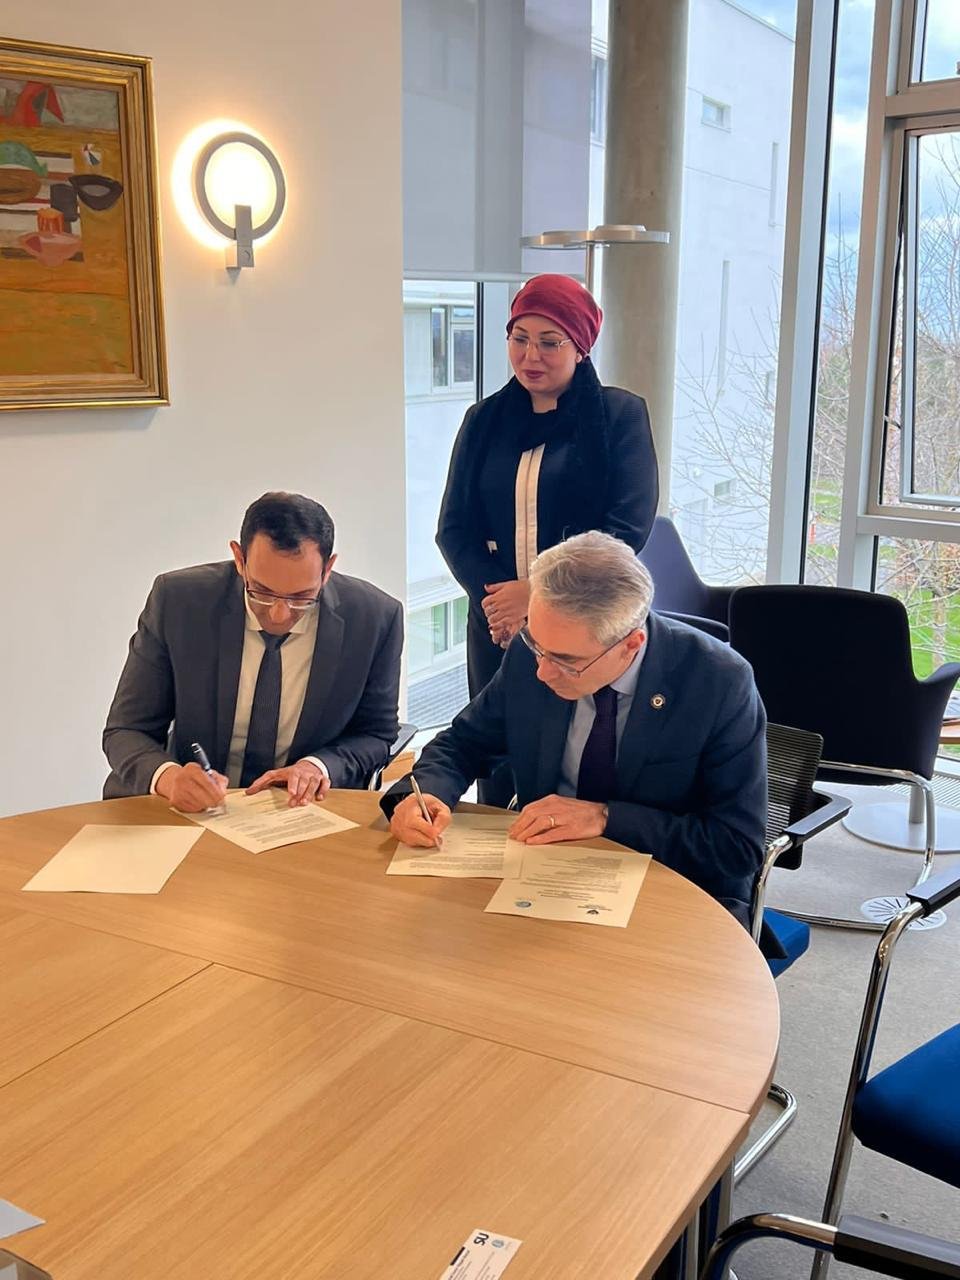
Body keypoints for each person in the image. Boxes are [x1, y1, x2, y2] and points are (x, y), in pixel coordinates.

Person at [384, 531, 766, 926]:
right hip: (542, 878)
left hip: (670, 889)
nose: (543, 672)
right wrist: (425, 795)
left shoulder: (717, 681)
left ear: (631, 644)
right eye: (536, 644)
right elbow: (462, 744)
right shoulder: (535, 651)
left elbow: (736, 846)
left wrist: (605, 818)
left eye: (567, 661)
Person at [436, 273, 659, 709]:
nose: (530, 355)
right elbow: (453, 529)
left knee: (585, 741)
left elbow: (626, 528)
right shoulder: (483, 421)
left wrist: (536, 594)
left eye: (549, 342)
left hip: (589, 628)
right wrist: (499, 603)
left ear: (580, 347)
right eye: (519, 338)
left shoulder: (619, 415)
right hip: (498, 627)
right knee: (498, 741)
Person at [103, 492, 402, 813]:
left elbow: (376, 734)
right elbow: (126, 730)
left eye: (301, 597)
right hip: (193, 812)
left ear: (327, 570)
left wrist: (318, 766)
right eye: (262, 592)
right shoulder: (179, 602)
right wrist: (170, 778)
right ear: (239, 559)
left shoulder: (374, 619)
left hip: (302, 813)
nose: (278, 614)